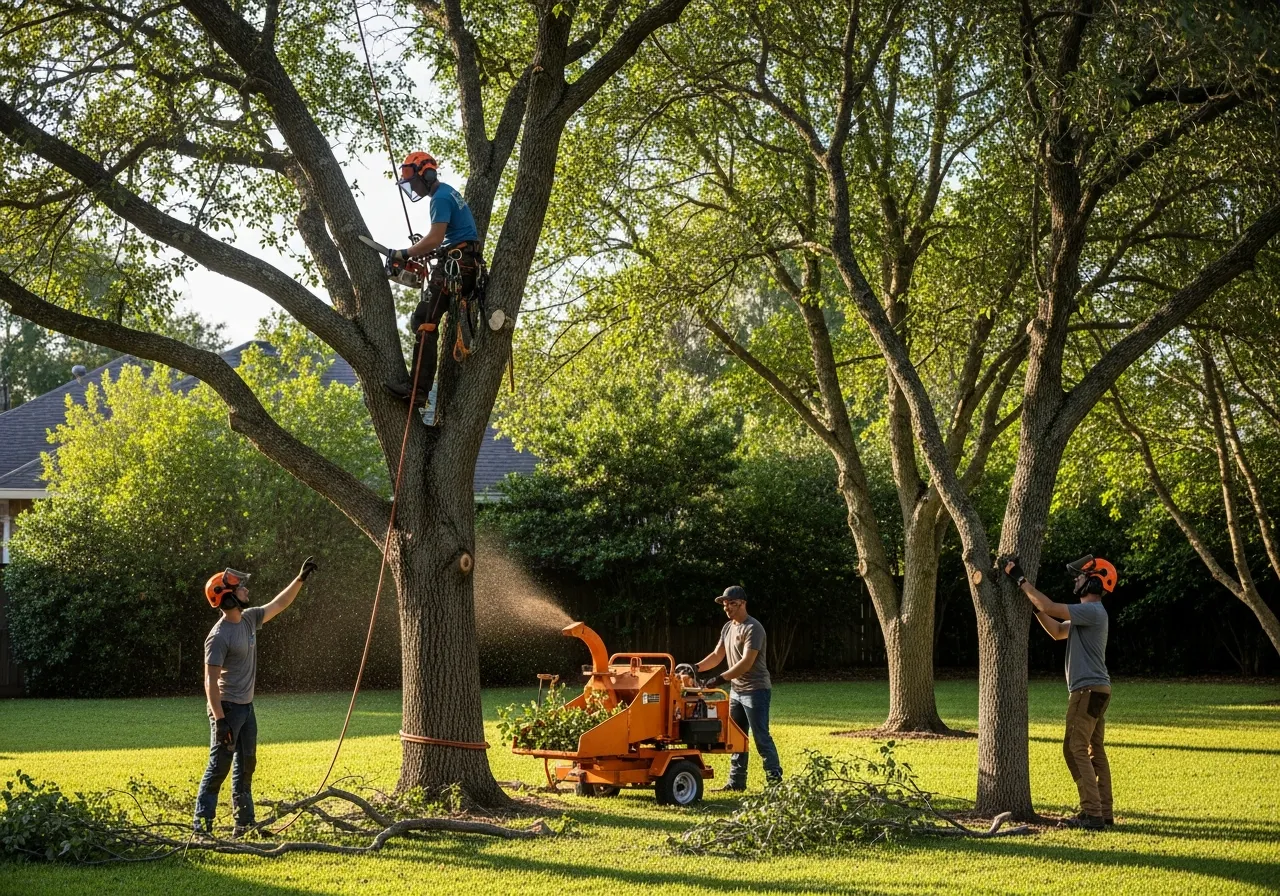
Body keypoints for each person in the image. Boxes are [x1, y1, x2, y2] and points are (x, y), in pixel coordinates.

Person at [192, 557, 317, 838]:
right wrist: (221, 721)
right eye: (241, 588)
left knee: (246, 764)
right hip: (226, 709)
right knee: (220, 765)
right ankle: (202, 825)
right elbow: (210, 681)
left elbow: (279, 604)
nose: (247, 590)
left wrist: (300, 579)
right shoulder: (219, 636)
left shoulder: (249, 619)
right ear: (227, 598)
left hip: (246, 708)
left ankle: (244, 823)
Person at [1001, 553, 1116, 830]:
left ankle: (1091, 814)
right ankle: (1104, 811)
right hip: (1099, 689)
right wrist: (1033, 605)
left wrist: (1020, 580)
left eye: (1081, 576)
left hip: (1086, 690)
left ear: (1093, 582)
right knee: (1094, 749)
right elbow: (1055, 630)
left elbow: (1051, 606)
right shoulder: (1088, 617)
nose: (1076, 580)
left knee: (1073, 748)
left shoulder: (1091, 610)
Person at [385, 151, 483, 408]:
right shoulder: (448, 192)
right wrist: (432, 250)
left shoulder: (439, 198)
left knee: (424, 320)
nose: (413, 186)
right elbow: (446, 239)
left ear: (426, 174)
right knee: (426, 319)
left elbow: (436, 238)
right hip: (463, 261)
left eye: (414, 180)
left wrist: (403, 253)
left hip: (456, 266)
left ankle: (416, 391)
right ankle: (420, 389)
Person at [694, 585, 783, 790]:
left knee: (761, 737)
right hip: (736, 691)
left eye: (731, 603)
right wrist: (695, 668)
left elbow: (746, 663)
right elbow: (717, 656)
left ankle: (775, 784)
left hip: (756, 690)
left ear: (743, 603)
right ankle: (736, 783)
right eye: (725, 604)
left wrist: (717, 680)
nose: (727, 608)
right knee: (736, 738)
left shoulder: (754, 628)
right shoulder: (728, 627)